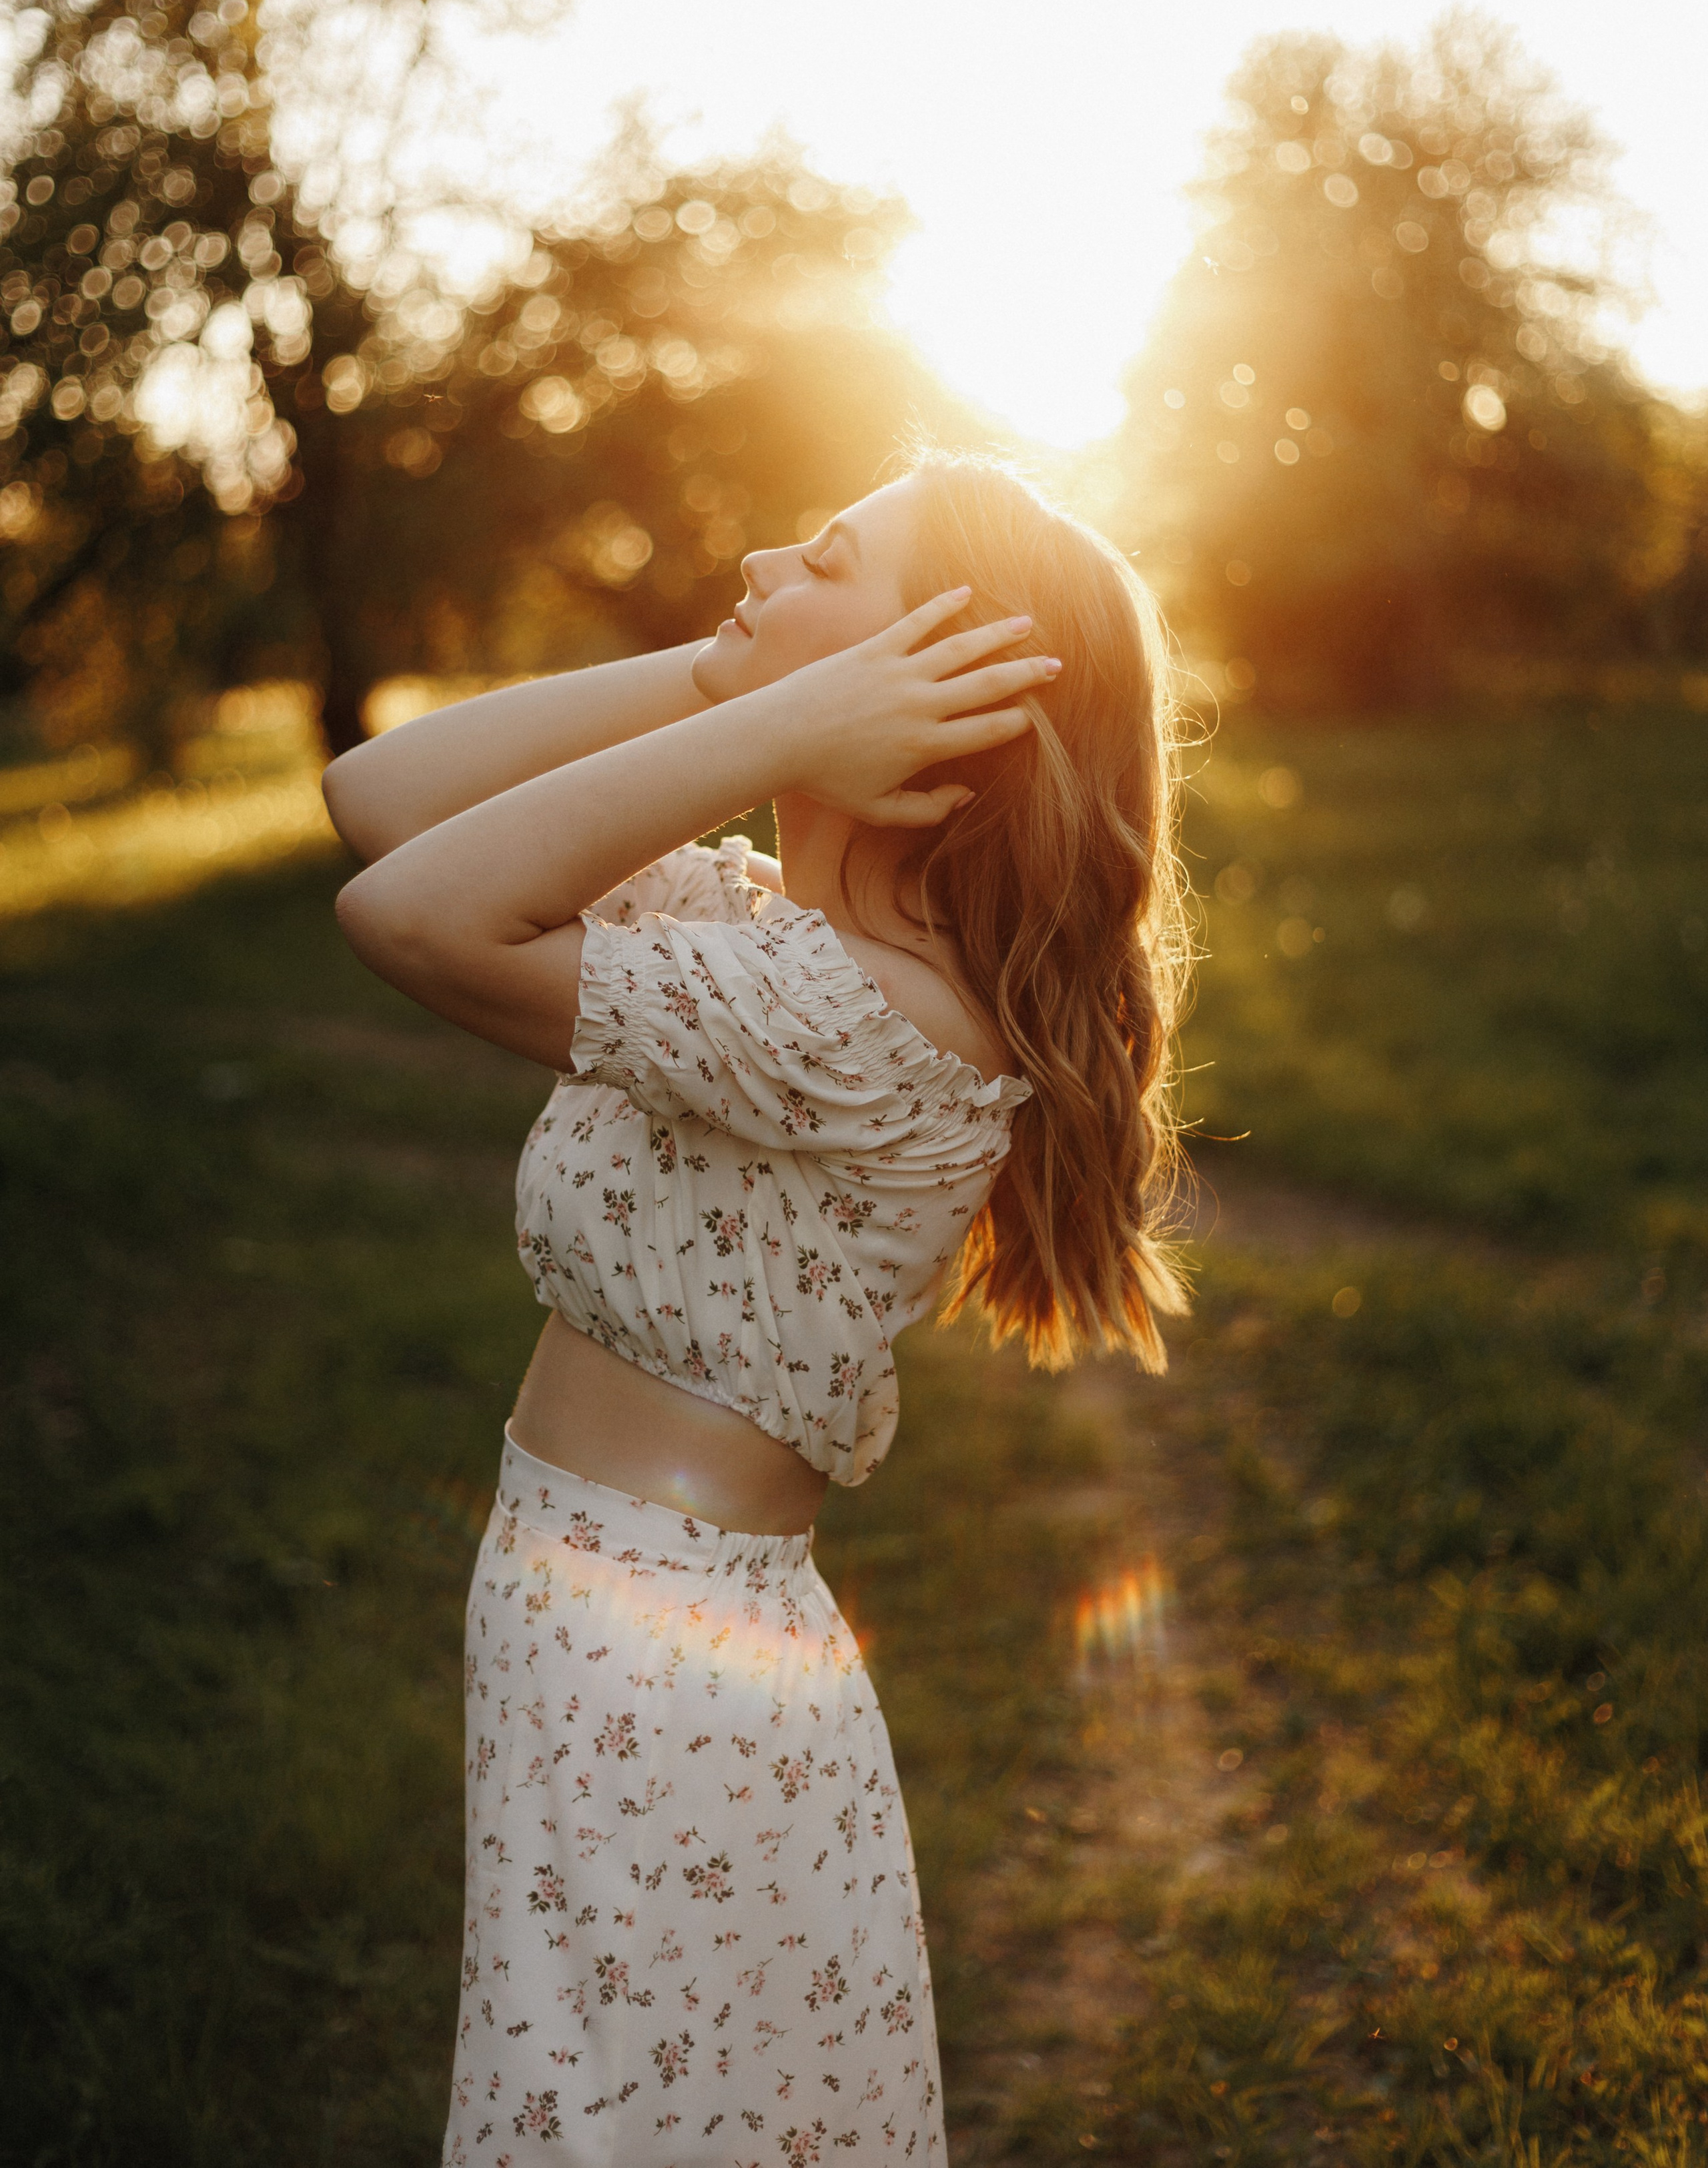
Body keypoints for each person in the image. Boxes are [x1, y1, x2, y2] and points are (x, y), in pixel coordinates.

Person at [322, 451, 1190, 2165]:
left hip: (652, 1677)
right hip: (618, 1636)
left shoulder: (854, 1017)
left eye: (827, 559)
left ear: (921, 690)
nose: (761, 555)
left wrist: (780, 712)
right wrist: (742, 679)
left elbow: (402, 918)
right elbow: (380, 797)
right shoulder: (753, 929)